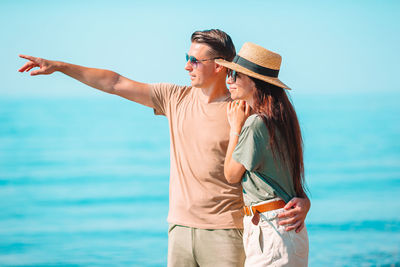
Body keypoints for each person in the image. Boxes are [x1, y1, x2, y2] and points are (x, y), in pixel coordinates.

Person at [18, 29, 310, 267]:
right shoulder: (174, 98)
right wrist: (59, 67)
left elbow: (277, 165)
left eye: (195, 60)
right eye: (187, 57)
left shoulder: (243, 112)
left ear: (219, 66)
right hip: (179, 230)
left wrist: (302, 200)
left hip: (227, 233)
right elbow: (115, 82)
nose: (186, 66)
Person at [219, 42, 309, 266]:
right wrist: (305, 202)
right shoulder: (283, 120)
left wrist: (235, 128)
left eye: (235, 75)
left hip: (271, 233)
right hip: (287, 232)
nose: (229, 80)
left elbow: (231, 174)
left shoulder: (256, 124)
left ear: (255, 82)